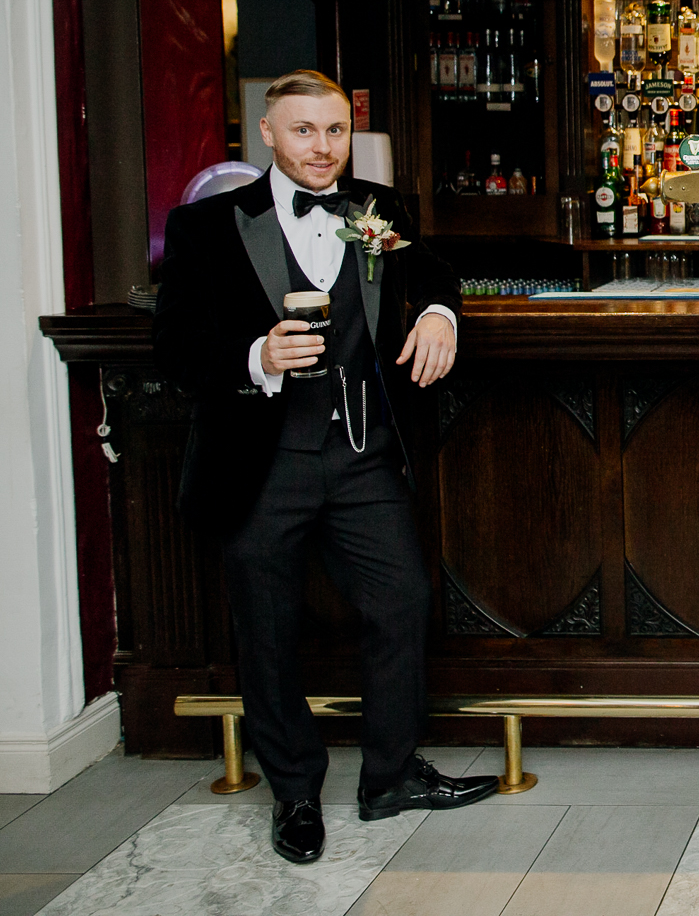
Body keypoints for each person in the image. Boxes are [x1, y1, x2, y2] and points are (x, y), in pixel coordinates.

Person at [153, 71, 496, 866]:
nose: (322, 147)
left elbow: (433, 272)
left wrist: (442, 314)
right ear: (266, 134)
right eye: (303, 131)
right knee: (267, 632)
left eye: (335, 130)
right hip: (260, 459)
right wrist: (255, 355)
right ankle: (296, 793)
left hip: (360, 455)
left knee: (403, 601)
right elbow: (174, 352)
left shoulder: (376, 211)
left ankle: (389, 777)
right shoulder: (205, 227)